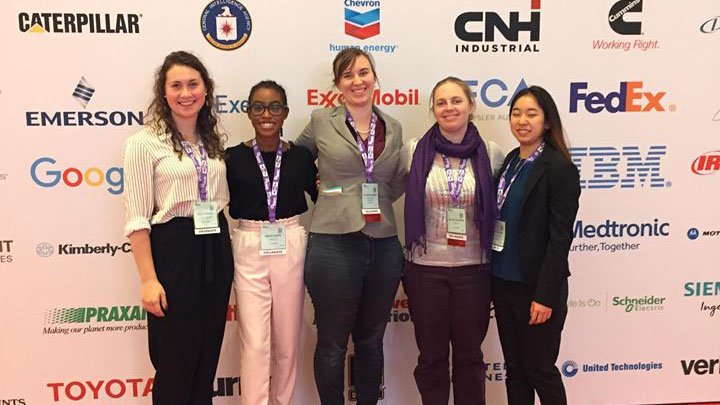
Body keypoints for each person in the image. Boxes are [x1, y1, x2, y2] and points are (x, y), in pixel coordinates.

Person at [293, 48, 406, 405]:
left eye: (363, 73)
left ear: (374, 77)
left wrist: (381, 198)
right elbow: (296, 162)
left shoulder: (394, 125)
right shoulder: (321, 120)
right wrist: (324, 191)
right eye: (348, 75)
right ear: (338, 84)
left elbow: (395, 180)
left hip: (384, 244)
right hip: (333, 244)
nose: (357, 81)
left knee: (372, 340)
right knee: (332, 342)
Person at [123, 50, 233, 405]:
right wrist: (148, 279)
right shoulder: (143, 143)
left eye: (193, 84)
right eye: (176, 85)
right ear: (164, 92)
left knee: (206, 360)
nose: (186, 93)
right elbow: (138, 218)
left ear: (205, 89)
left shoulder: (212, 141)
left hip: (215, 244)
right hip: (174, 250)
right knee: (174, 363)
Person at [403, 77, 505, 405]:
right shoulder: (414, 149)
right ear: (432, 109)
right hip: (425, 269)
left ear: (471, 106)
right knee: (431, 357)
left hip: (473, 271)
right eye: (442, 102)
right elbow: (382, 184)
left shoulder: (491, 153)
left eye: (456, 101)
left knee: (470, 356)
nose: (449, 108)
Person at [225, 80, 318, 405]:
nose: (267, 114)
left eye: (275, 106)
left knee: (288, 339)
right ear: (249, 112)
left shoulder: (302, 157)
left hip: (290, 240)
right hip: (249, 241)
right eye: (259, 107)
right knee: (254, 341)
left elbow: (325, 196)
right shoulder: (232, 158)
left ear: (286, 113)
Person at [491, 85, 580, 405]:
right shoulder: (512, 160)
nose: (522, 120)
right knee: (515, 369)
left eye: (531, 113)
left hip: (537, 290)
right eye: (516, 113)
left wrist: (544, 296)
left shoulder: (559, 168)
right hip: (504, 285)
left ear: (547, 121)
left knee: (539, 368)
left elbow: (560, 239)